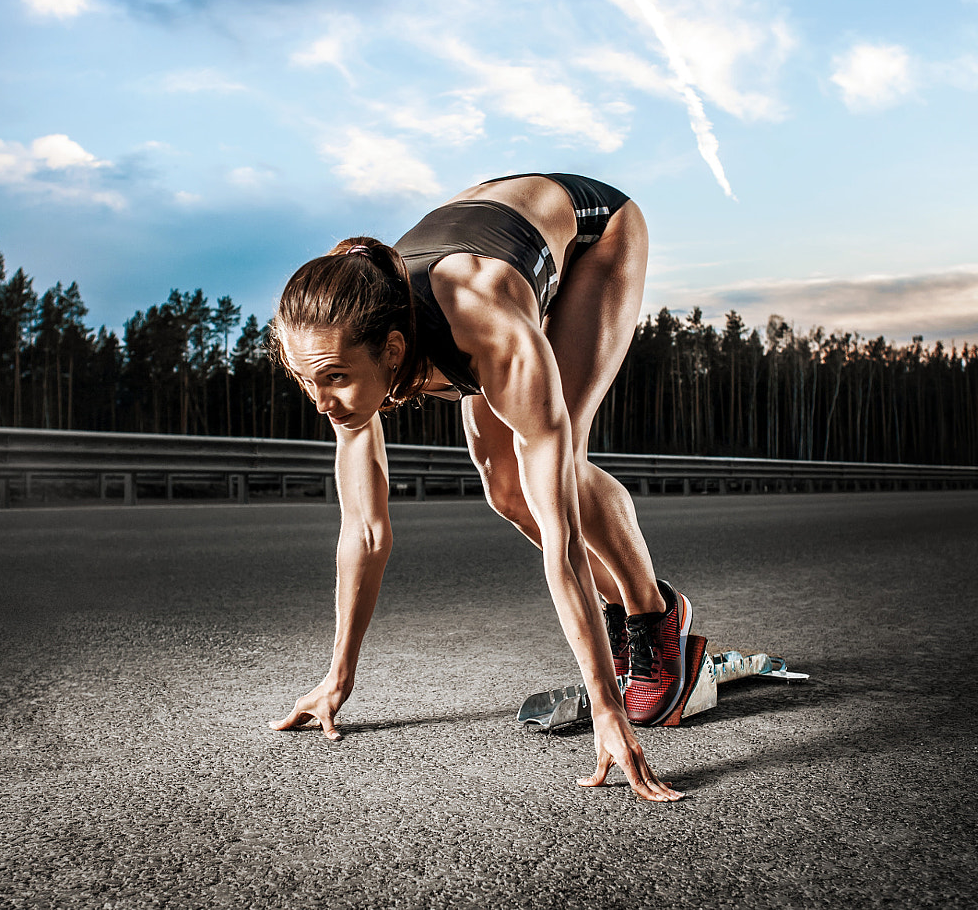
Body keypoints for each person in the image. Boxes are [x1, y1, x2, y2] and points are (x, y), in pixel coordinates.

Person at [267, 173, 692, 802]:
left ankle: (654, 619)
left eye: (332, 378)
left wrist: (607, 706)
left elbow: (562, 534)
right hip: (484, 235)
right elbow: (364, 531)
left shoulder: (485, 320)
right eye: (306, 380)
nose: (322, 402)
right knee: (503, 488)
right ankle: (624, 617)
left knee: (557, 471)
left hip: (593, 233)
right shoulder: (349, 349)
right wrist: (337, 679)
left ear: (391, 350)